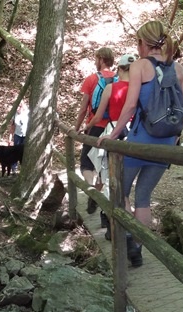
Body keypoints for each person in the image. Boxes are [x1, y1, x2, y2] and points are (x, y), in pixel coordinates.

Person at [98, 21, 183, 267]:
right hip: (166, 144)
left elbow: (130, 106)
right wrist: (175, 138)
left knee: (122, 192)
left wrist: (113, 135)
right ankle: (137, 247)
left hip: (140, 140)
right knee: (144, 197)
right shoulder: (179, 68)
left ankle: (126, 236)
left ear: (143, 43)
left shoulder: (139, 66)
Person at [86, 53, 136, 238]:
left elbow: (98, 116)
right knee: (126, 182)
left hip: (114, 131)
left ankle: (109, 220)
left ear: (119, 69)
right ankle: (131, 238)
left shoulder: (111, 88)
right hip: (134, 135)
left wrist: (87, 127)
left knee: (108, 177)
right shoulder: (138, 89)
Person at [74, 47, 116, 214]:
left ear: (100, 59)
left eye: (96, 58)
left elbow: (84, 108)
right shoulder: (119, 78)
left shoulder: (91, 79)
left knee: (86, 163)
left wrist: (77, 128)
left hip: (95, 127)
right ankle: (97, 194)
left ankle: (91, 190)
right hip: (113, 128)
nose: (94, 61)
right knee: (104, 165)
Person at [8, 101, 29, 174]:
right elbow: (12, 128)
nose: (18, 108)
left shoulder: (28, 113)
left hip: (26, 135)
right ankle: (14, 170)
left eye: (19, 106)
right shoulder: (14, 115)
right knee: (15, 152)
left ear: (22, 106)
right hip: (17, 135)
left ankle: (25, 169)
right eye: (16, 106)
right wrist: (10, 139)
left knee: (25, 152)